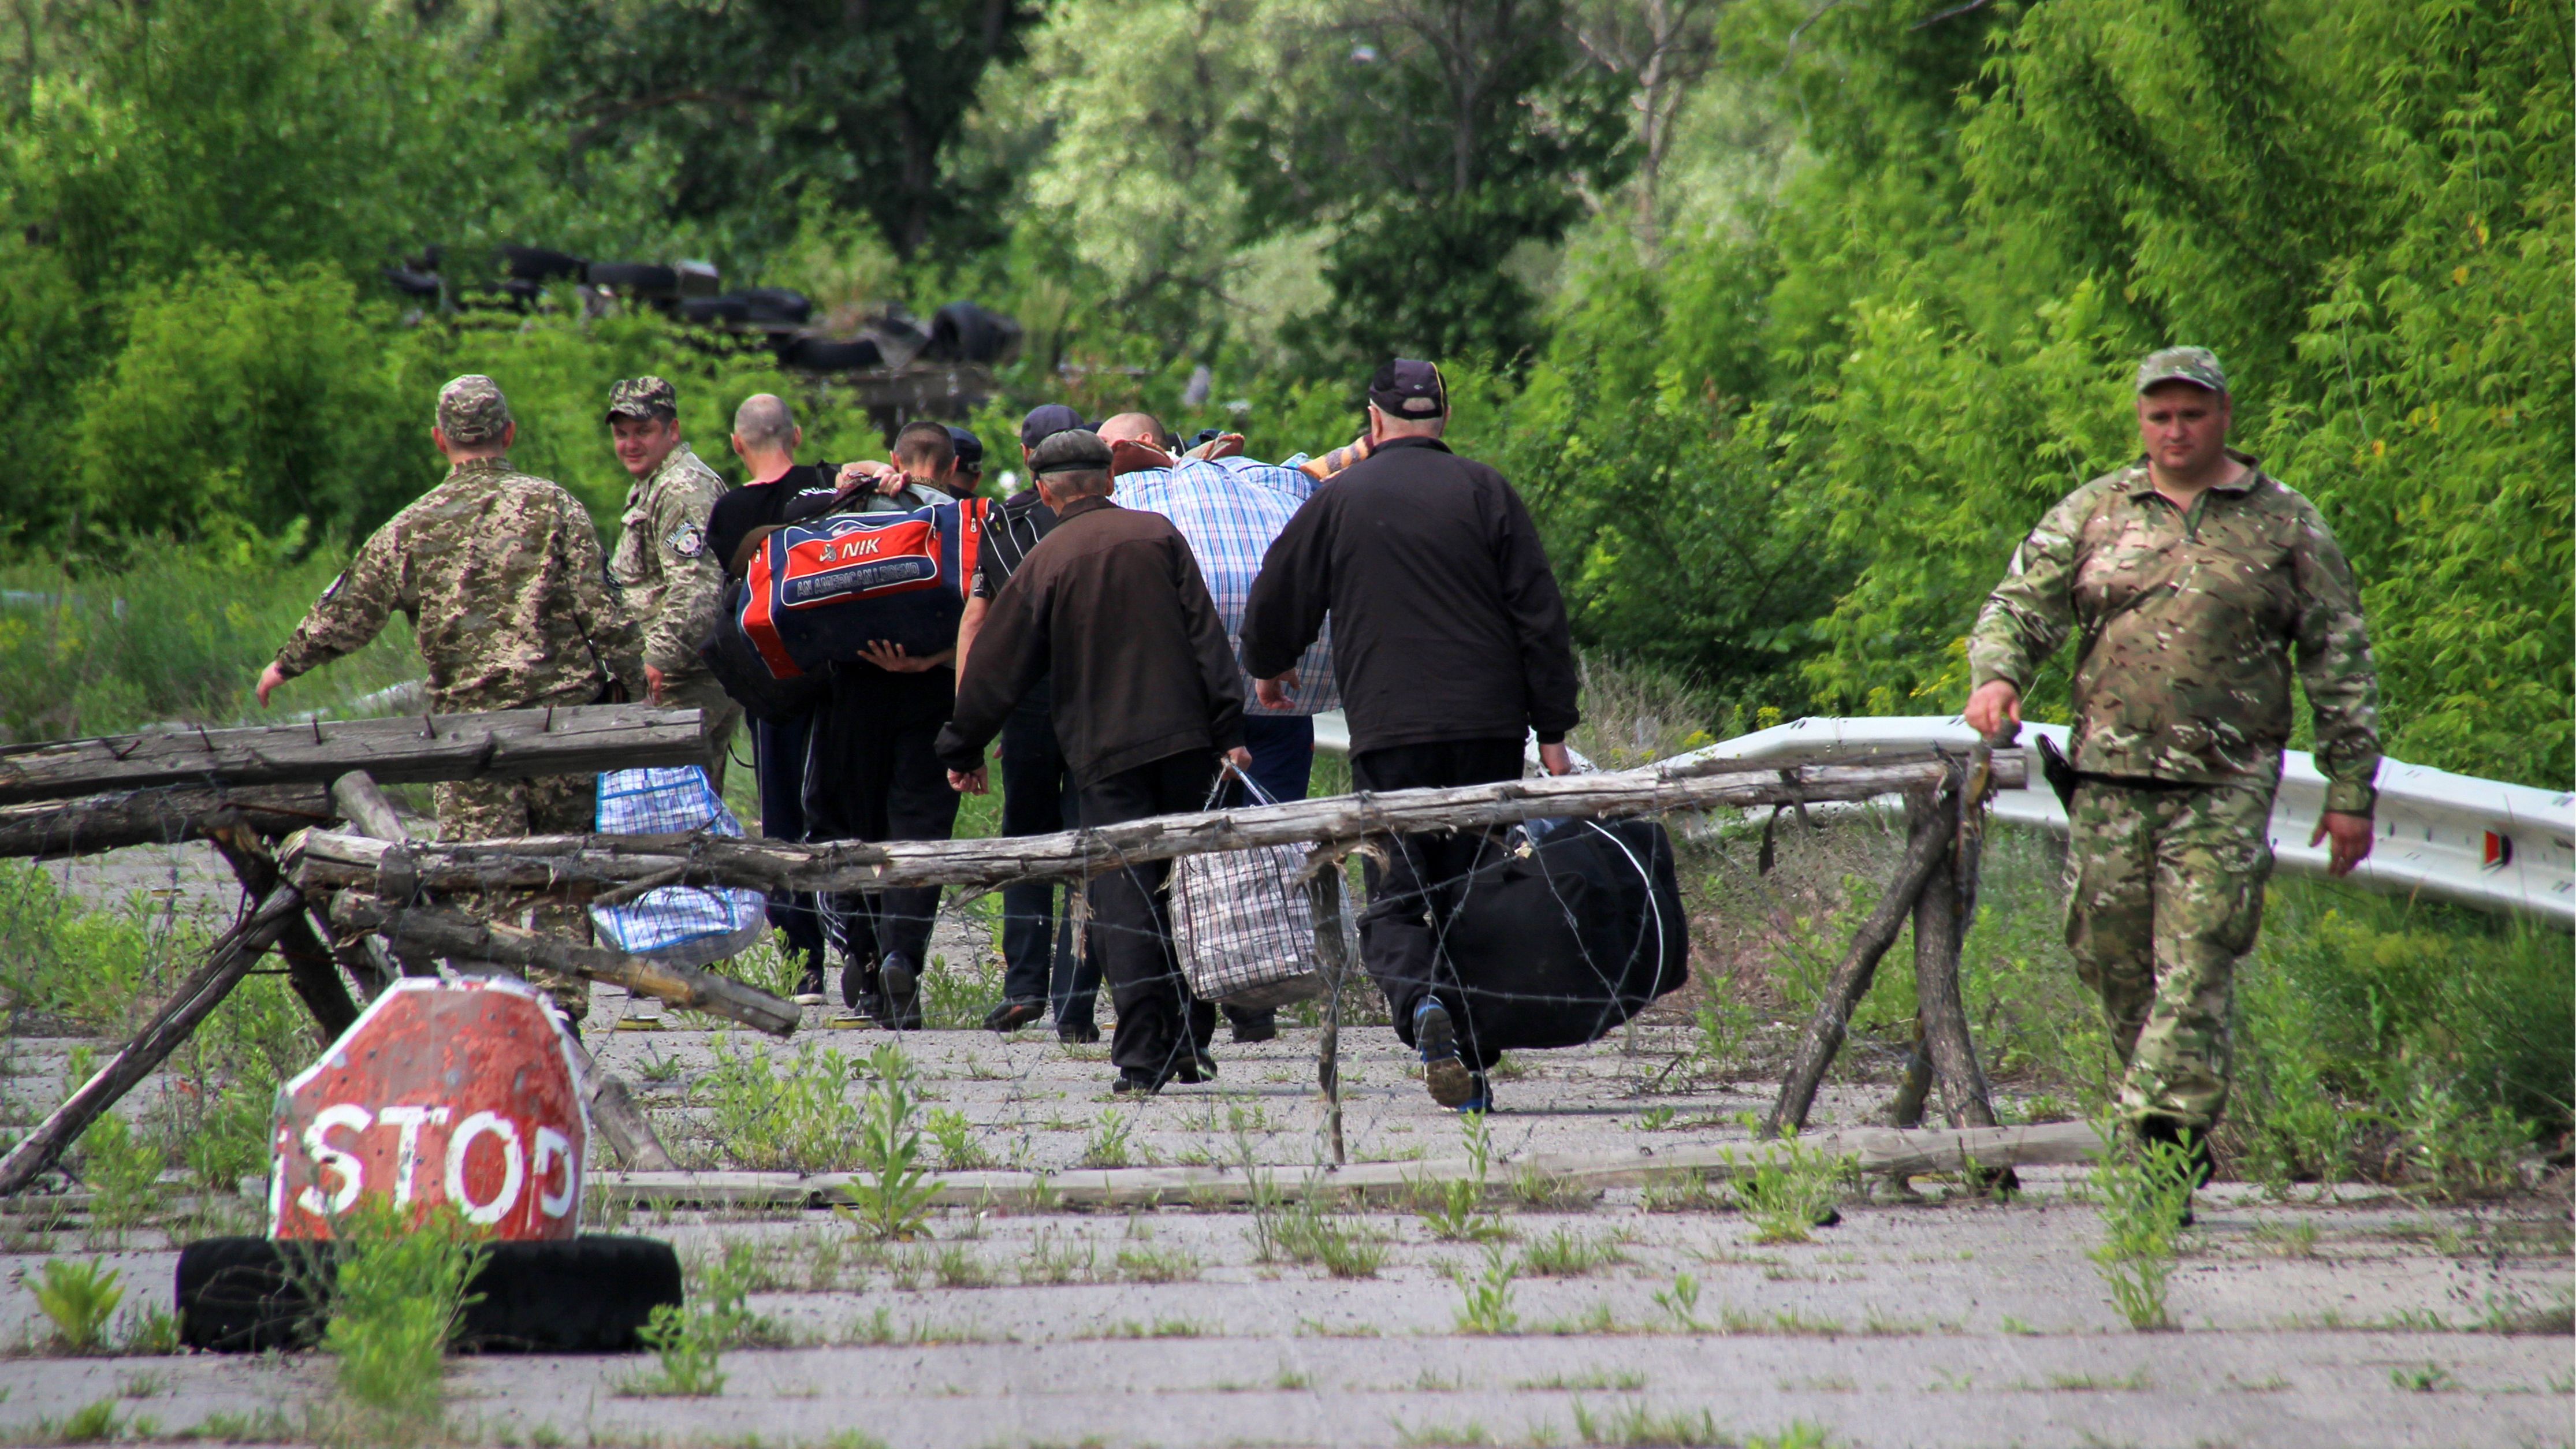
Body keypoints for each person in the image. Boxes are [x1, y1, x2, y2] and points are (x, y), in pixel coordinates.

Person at [1964, 346, 2381, 1190]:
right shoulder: (2096, 510)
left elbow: (2338, 656)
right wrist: (1998, 675)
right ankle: (2168, 1123)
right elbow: (2019, 606)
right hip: (2108, 778)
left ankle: (2163, 1138)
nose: (2176, 430)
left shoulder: (2284, 524)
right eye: (2160, 416)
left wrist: (2349, 789)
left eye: (2192, 414)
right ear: (2141, 420)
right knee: (2111, 962)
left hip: (2224, 783)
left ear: (2223, 416)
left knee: (2196, 959)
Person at [1241, 358, 1580, 1112]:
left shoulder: (1340, 497)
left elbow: (1277, 593)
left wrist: (1270, 667)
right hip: (1489, 731)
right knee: (1477, 892)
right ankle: (1473, 1065)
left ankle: (1422, 1004)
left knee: (1397, 896)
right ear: (1445, 417)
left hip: (1391, 732)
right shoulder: (1486, 491)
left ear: (1373, 421)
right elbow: (1539, 617)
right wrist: (1552, 730)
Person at [255, 375, 645, 1028]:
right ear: (508, 433)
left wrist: (284, 665)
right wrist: (636, 683)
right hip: (561, 727)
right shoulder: (555, 506)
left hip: (470, 738)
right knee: (566, 872)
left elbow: (350, 609)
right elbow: (602, 610)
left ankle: (496, 1010)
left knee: (479, 879)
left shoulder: (412, 525)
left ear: (440, 440)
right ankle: (560, 1016)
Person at [936, 429, 1250, 1094]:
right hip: (1187, 743)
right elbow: (1207, 638)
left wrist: (962, 746)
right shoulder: (1158, 535)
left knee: (1123, 895)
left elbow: (996, 665)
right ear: (1110, 480)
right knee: (1185, 888)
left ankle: (1141, 1057)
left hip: (1105, 754)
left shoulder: (1046, 559)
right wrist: (1227, 729)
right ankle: (1189, 1041)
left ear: (1044, 491)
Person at [1095, 411, 1341, 1044]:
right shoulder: (1263, 483)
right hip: (1276, 701)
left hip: (1194, 707)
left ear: (1137, 445)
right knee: (1269, 840)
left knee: (1192, 852)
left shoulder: (1134, 496)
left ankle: (1198, 1000)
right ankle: (1257, 995)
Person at [804, 420, 966, 1027]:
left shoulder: (852, 507)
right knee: (919, 828)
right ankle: (903, 952)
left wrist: (856, 478)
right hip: (932, 690)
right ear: (953, 467)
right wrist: (930, 660)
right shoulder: (965, 519)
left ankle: (865, 954)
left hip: (854, 687)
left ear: (894, 458)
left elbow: (788, 529)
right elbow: (988, 615)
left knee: (858, 825)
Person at [958, 405, 1096, 1039]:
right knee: (1088, 847)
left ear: (1027, 458)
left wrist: (971, 725)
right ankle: (1075, 1002)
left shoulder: (1004, 523)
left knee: (1027, 842)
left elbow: (977, 621)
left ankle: (1023, 986)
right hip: (1097, 698)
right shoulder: (1112, 517)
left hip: (1029, 703)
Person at [712, 394, 837, 1002]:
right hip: (836, 674)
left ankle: (802, 964)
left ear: (738, 443)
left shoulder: (729, 511)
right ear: (797, 434)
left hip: (771, 681)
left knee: (782, 820)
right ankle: (861, 953)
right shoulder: (829, 487)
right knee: (839, 810)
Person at [604, 377, 743, 789]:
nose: (631, 444)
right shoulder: (654, 483)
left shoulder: (683, 488)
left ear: (673, 431)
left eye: (643, 431)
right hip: (673, 679)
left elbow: (697, 591)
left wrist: (658, 659)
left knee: (675, 810)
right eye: (622, 434)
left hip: (686, 680)